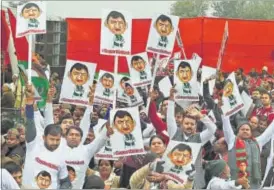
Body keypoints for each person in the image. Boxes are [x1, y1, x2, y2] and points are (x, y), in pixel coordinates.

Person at [22, 84, 71, 189]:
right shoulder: (33, 144)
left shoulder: (60, 157)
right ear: (44, 138)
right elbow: (30, 122)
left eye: (57, 140)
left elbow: (66, 182)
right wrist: (30, 103)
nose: (55, 143)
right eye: (52, 139)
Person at [222, 114, 274, 189]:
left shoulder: (257, 142)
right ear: (238, 131)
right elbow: (226, 128)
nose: (245, 131)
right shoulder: (232, 141)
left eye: (247, 130)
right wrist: (224, 115)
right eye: (242, 129)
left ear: (251, 132)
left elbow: (269, 131)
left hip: (253, 185)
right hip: (235, 183)